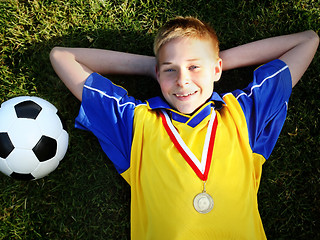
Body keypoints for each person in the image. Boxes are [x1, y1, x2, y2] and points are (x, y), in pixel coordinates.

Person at [50, 17, 319, 239]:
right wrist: (153, 66)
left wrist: (215, 63)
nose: (182, 80)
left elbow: (307, 41)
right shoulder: (137, 124)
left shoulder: (242, 115)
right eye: (170, 71)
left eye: (194, 67)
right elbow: (62, 57)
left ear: (216, 69)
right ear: (158, 74)